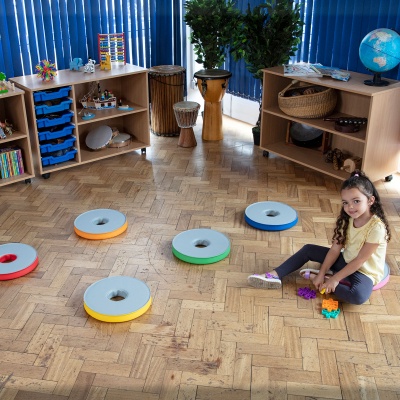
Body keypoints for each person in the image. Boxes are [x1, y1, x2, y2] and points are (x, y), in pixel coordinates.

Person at [247, 170, 391, 305]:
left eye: (356, 201)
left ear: (370, 200)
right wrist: (321, 272)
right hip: (346, 261)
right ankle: (273, 275)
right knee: (309, 249)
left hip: (364, 272)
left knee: (358, 296)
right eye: (345, 202)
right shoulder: (348, 219)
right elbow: (335, 250)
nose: (350, 207)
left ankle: (331, 277)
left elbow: (359, 261)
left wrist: (334, 279)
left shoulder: (377, 228)